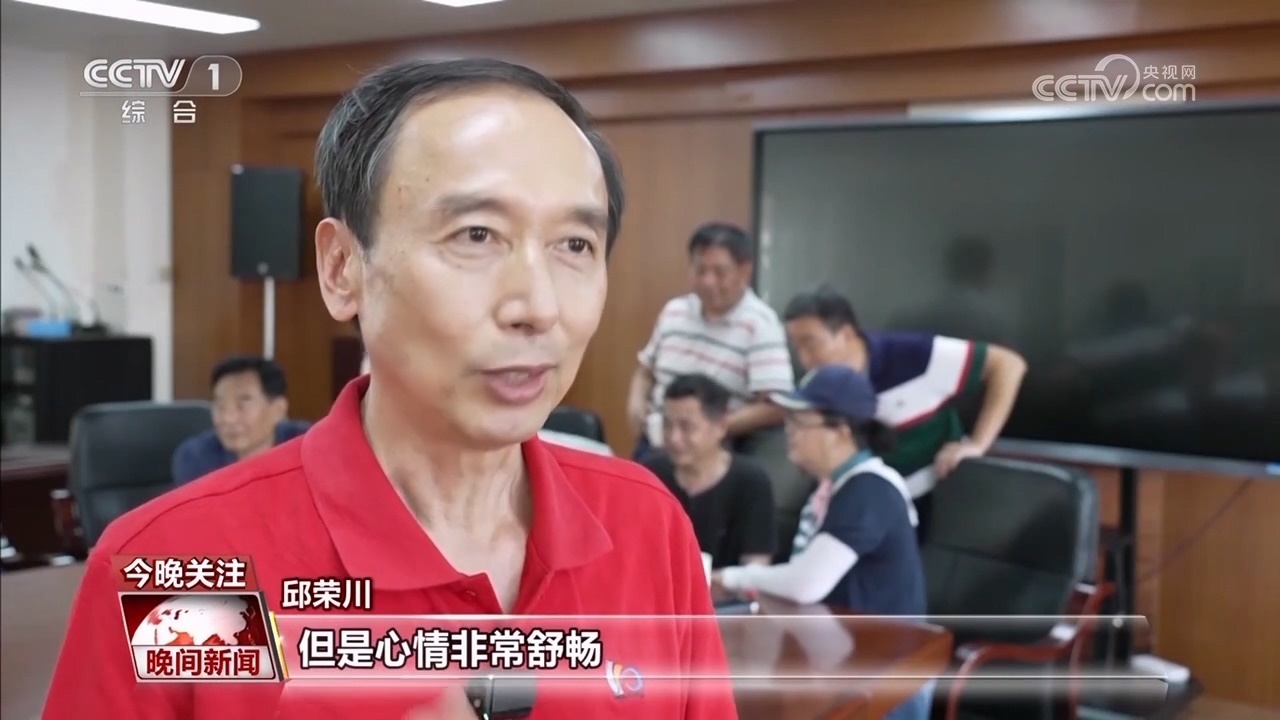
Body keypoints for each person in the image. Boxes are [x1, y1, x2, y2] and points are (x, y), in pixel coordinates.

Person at [45, 58, 735, 720]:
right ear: (342, 268)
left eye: (575, 245)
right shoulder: (180, 571)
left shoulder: (646, 525)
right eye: (477, 235)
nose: (538, 307)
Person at [713, 364, 931, 720]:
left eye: (800, 422)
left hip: (884, 679)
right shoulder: (833, 487)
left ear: (840, 432)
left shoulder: (870, 489)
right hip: (843, 658)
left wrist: (734, 577)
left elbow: (806, 583)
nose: (789, 432)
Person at [782, 286, 1027, 544]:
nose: (804, 358)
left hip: (930, 497)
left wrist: (978, 443)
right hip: (858, 499)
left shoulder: (916, 355)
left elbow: (1009, 365)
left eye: (811, 343)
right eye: (796, 347)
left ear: (846, 334)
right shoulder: (816, 381)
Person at [626, 223, 794, 462]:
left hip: (712, 454)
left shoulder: (760, 325)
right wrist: (635, 402)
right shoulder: (675, 311)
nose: (708, 281)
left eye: (719, 272)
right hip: (655, 441)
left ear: (744, 271)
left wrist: (711, 428)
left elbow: (775, 407)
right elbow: (645, 371)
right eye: (700, 270)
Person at [642, 373, 777, 570]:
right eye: (667, 425)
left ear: (721, 426)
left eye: (686, 427)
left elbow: (756, 567)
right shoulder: (650, 475)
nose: (674, 438)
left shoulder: (752, 482)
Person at [171, 355, 310, 485]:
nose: (228, 418)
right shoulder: (196, 457)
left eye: (242, 404)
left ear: (278, 409)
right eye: (220, 405)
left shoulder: (307, 446)